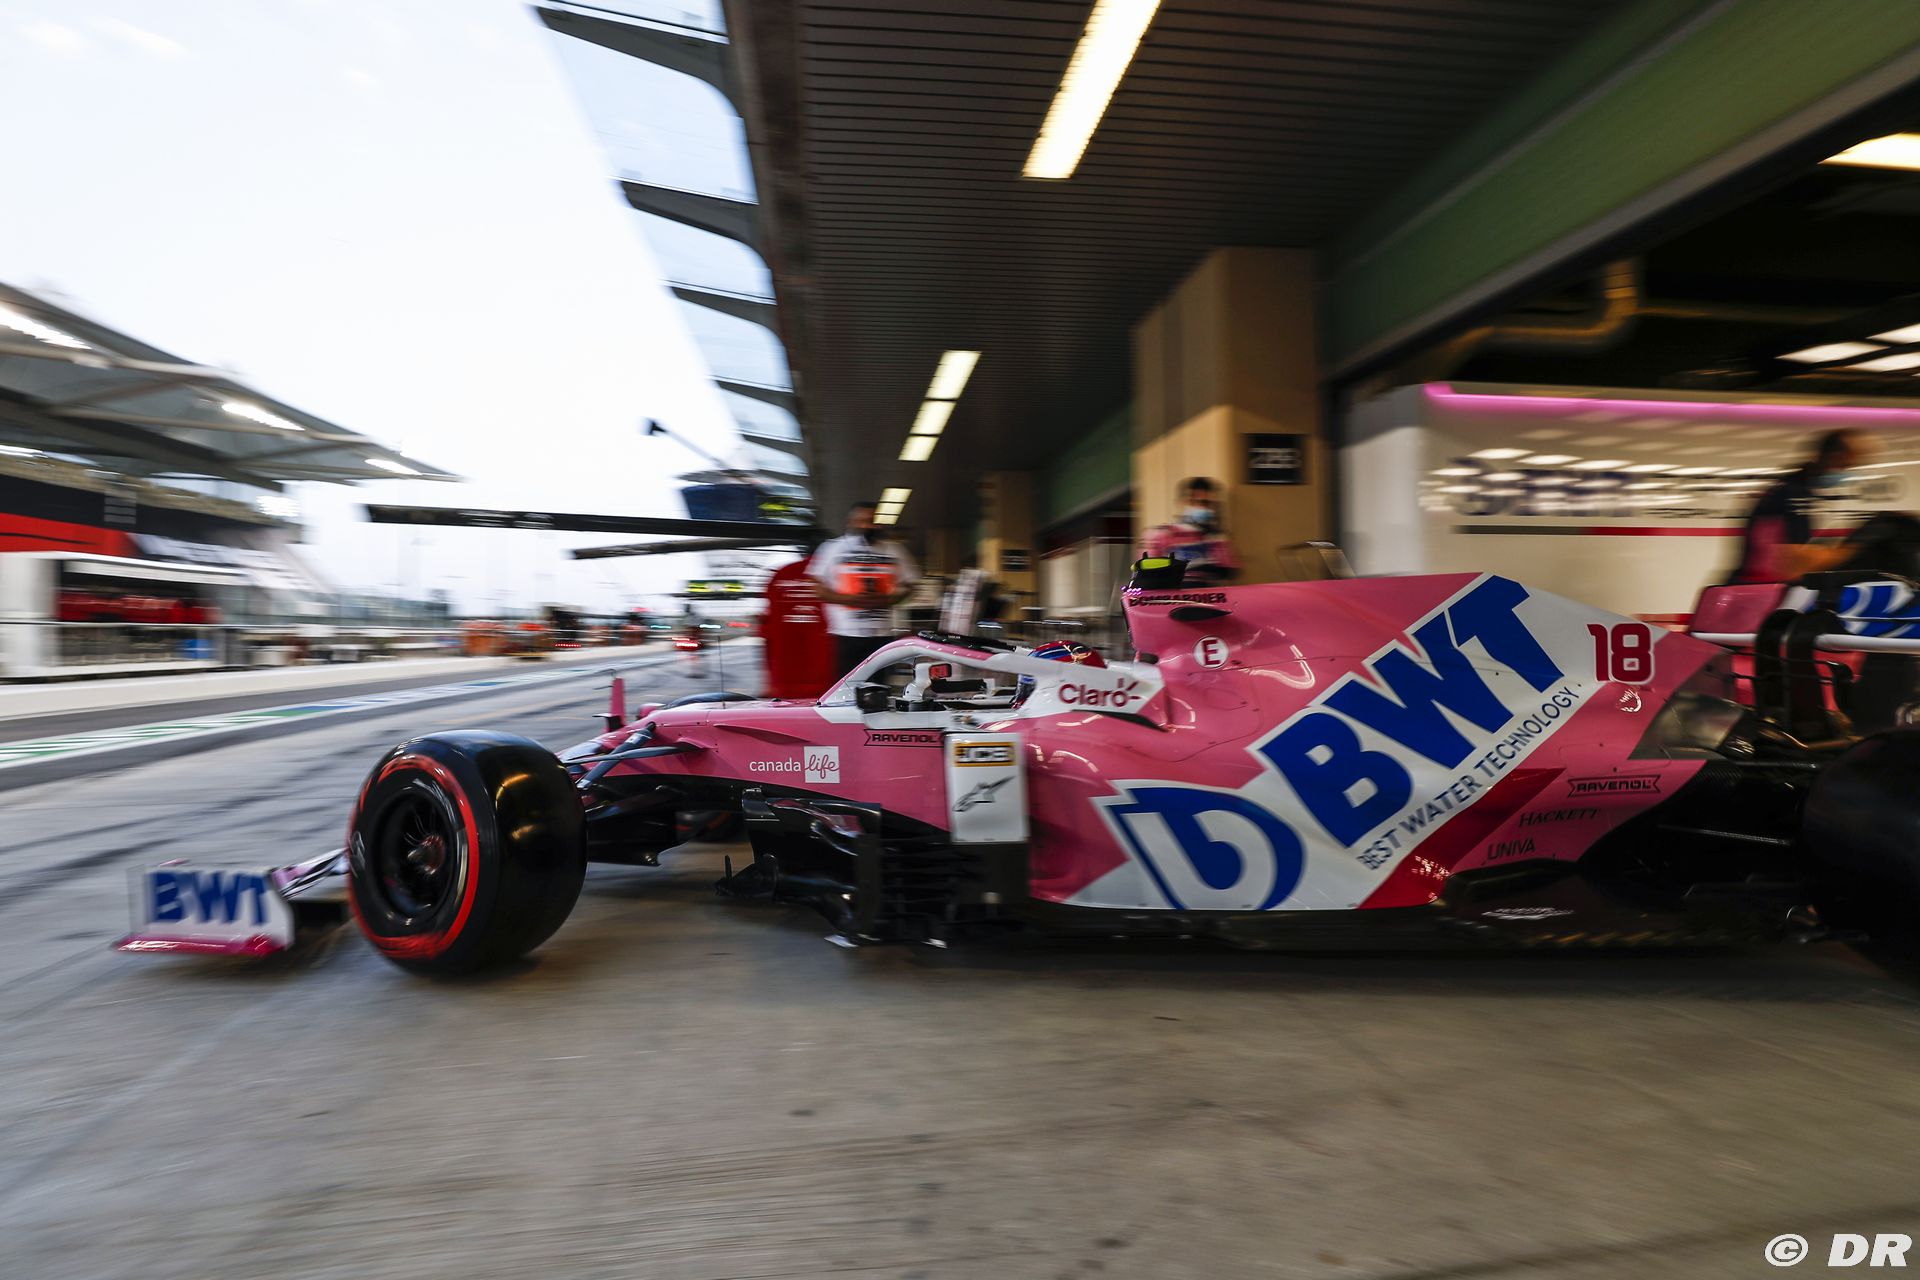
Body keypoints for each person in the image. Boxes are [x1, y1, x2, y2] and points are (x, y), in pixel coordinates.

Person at [1731, 429, 1870, 584]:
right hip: (1761, 586)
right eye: (1846, 466)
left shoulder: (1797, 489)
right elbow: (1792, 561)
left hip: (1764, 583)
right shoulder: (1791, 493)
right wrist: (1855, 550)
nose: (1847, 473)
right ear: (1833, 457)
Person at [809, 500, 920, 677]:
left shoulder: (895, 550)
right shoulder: (832, 548)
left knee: (878, 686)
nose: (869, 526)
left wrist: (888, 600)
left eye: (873, 521)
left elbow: (911, 585)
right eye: (863, 521)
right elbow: (818, 589)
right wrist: (852, 600)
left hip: (883, 634)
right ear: (850, 522)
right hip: (845, 634)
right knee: (847, 685)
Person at [1141, 476, 1240, 584]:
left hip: (1205, 592)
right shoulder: (1160, 535)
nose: (1202, 507)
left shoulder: (1215, 538)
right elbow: (1145, 572)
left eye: (1207, 503)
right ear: (1181, 502)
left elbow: (1230, 570)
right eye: (1195, 502)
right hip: (1170, 592)